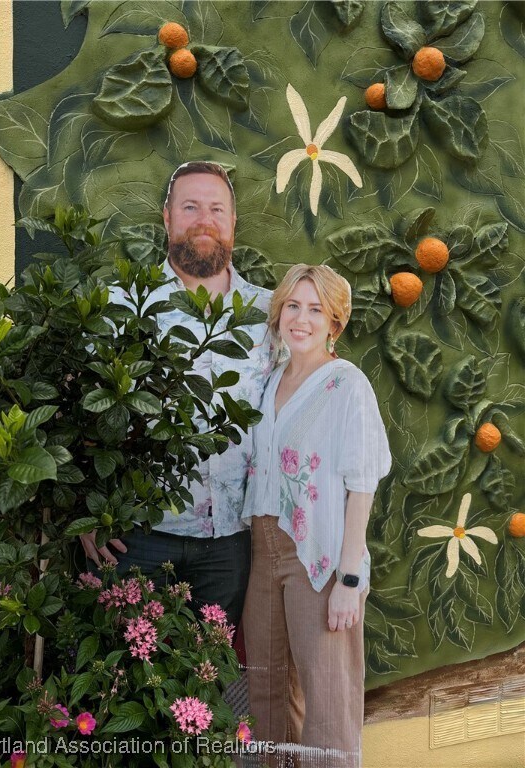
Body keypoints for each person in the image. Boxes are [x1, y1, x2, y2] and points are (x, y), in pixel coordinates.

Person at [79, 161, 273, 627]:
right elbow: (78, 405)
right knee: (122, 665)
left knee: (212, 668)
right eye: (190, 207)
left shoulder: (273, 313)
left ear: (233, 222)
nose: (204, 220)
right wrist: (84, 509)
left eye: (216, 209)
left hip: (233, 541)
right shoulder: (120, 305)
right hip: (135, 536)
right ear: (166, 218)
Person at [241, 264, 391, 767]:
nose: (300, 319)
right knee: (266, 689)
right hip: (263, 551)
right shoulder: (271, 380)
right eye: (292, 306)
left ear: (334, 323)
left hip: (319, 558)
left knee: (327, 700)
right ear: (279, 312)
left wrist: (348, 579)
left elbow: (362, 483)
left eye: (315, 310)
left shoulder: (348, 385)